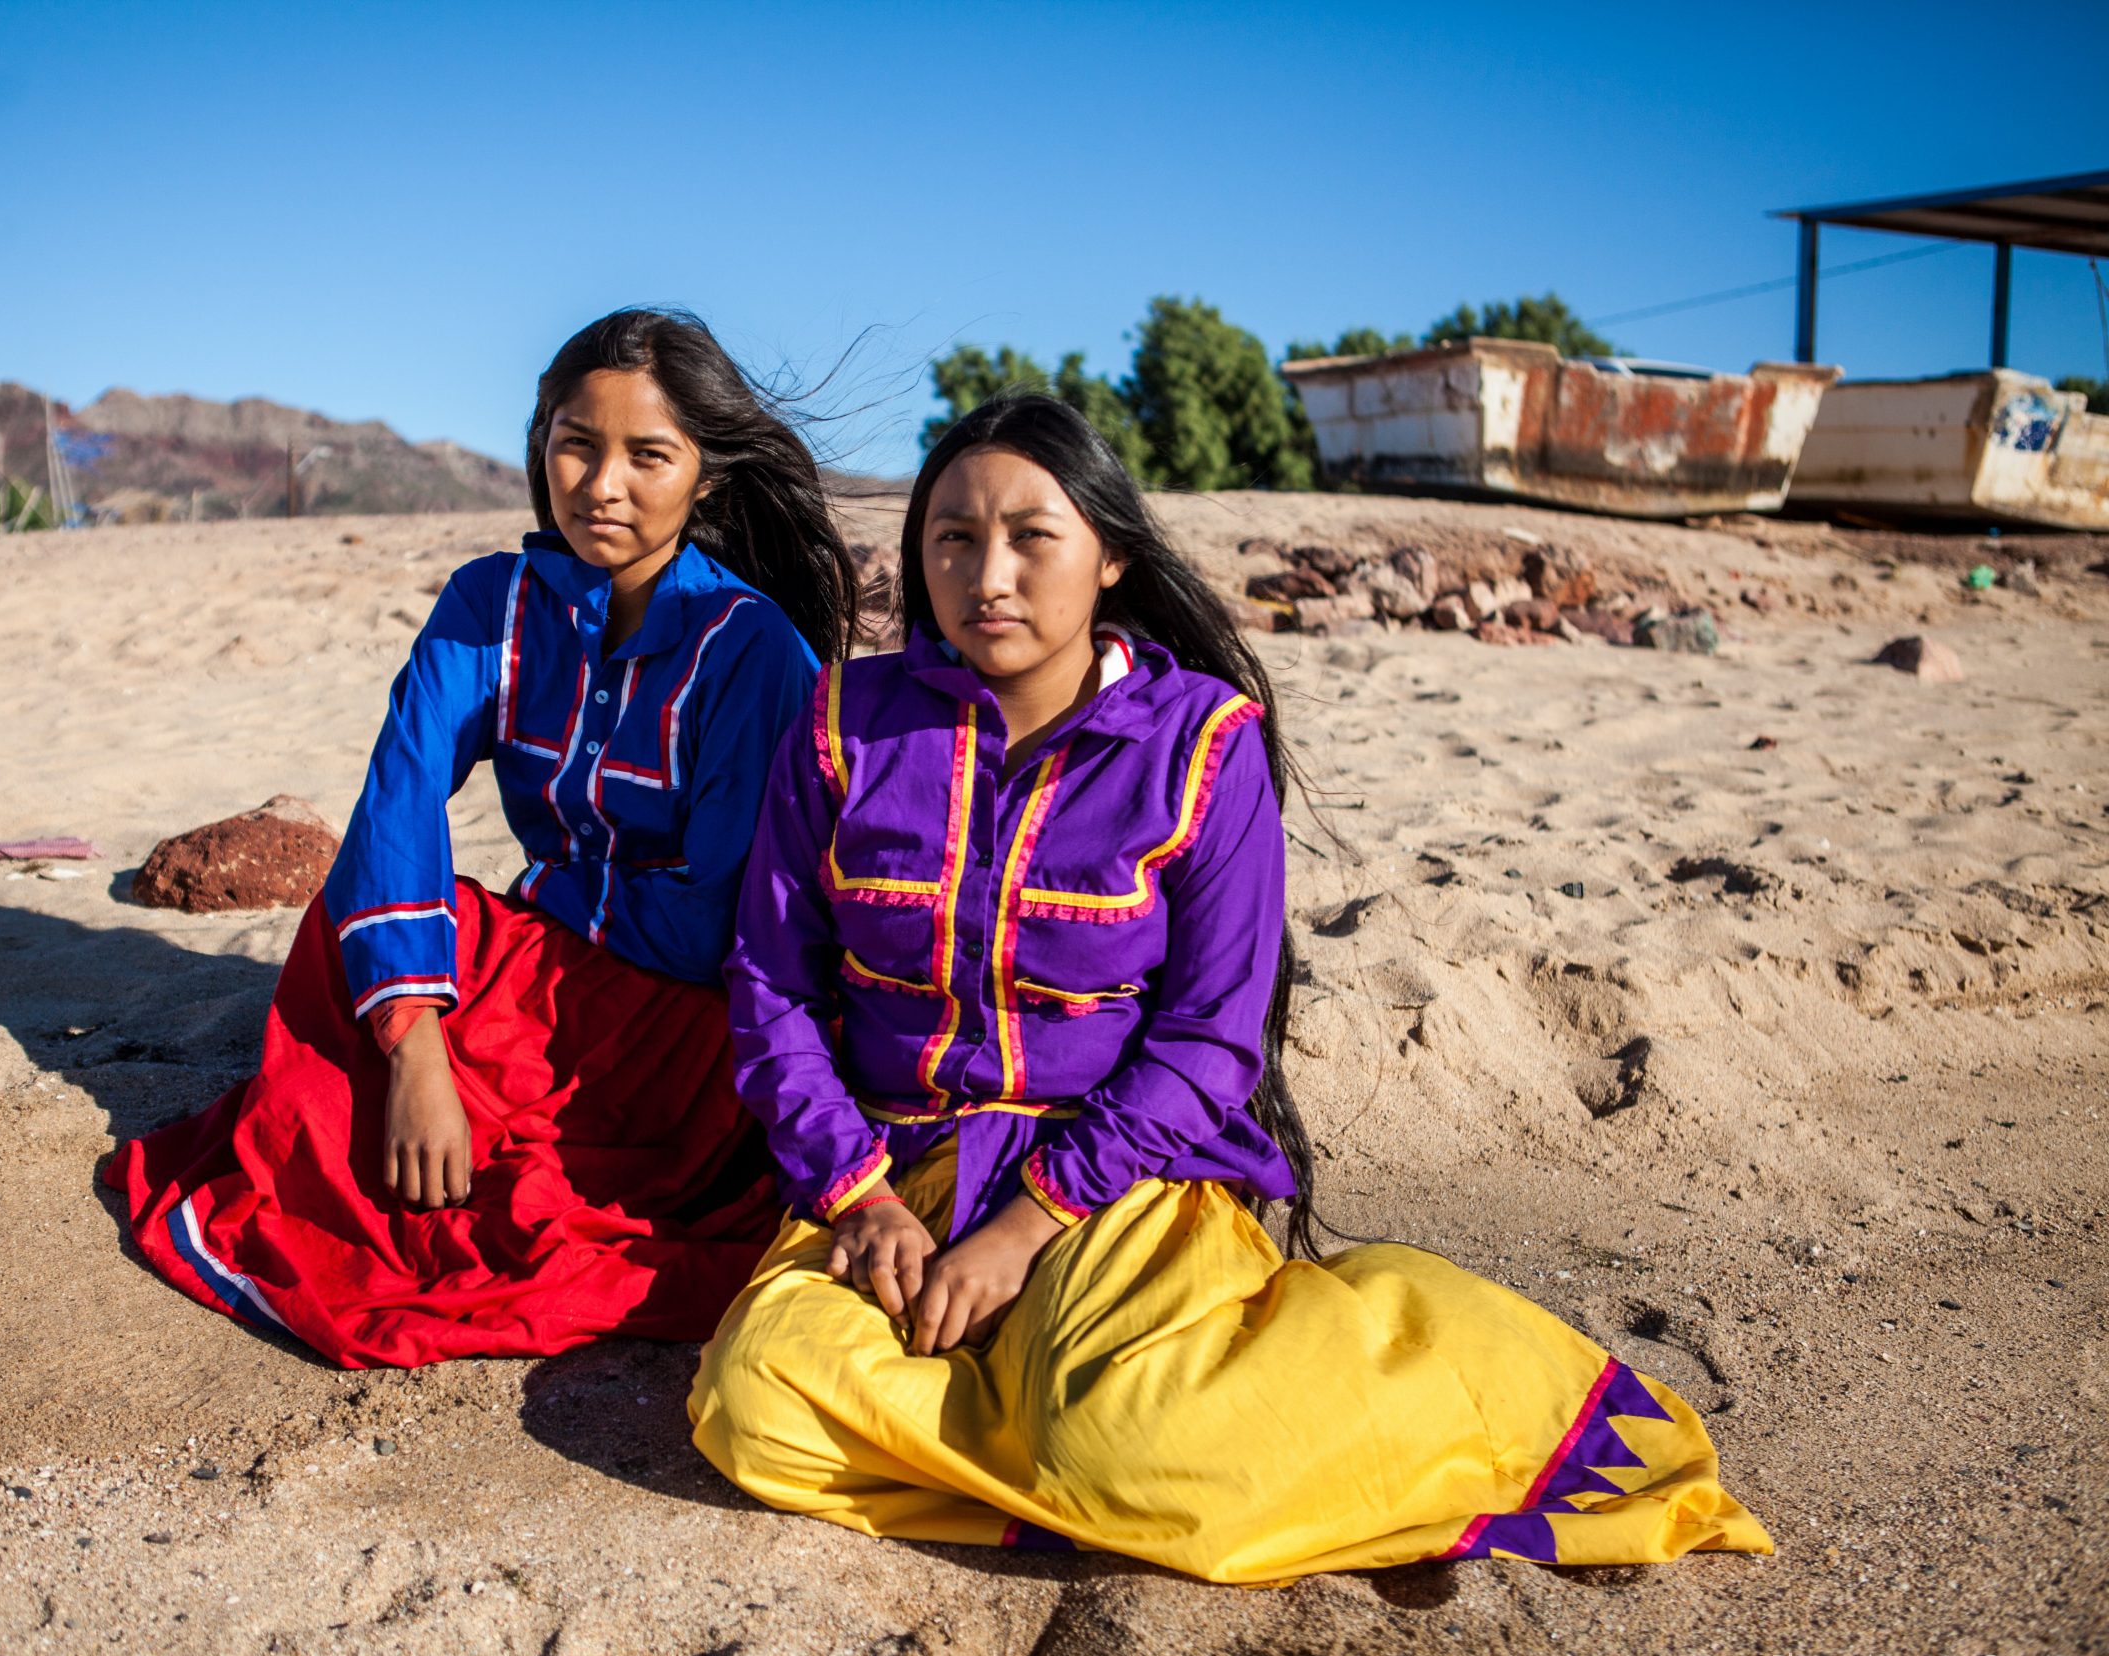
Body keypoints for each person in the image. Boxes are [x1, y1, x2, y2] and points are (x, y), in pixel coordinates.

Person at [688, 394, 1771, 1584]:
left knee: (1136, 1454)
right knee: (752, 1406)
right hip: (896, 1167)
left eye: (1029, 537)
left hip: (1110, 1181)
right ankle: (1049, 1428)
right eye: (950, 537)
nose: (984, 573)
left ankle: (1360, 1363)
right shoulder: (845, 722)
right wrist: (863, 1201)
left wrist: (1016, 1235)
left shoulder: (1202, 743)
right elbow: (772, 988)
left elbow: (1208, 1044)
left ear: (1110, 556)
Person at [103, 309, 857, 1369]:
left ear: (705, 477)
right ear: (539, 444)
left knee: (465, 1059)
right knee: (356, 925)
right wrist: (413, 1047)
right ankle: (427, 1122)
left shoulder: (752, 651)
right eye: (576, 444)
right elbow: (397, 804)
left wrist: (547, 896)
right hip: (556, 964)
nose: (603, 484)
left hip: (689, 1017)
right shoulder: (489, 606)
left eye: (649, 456)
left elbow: (709, 919)